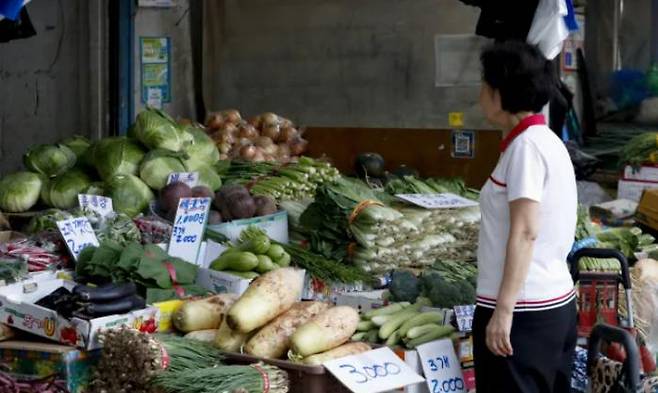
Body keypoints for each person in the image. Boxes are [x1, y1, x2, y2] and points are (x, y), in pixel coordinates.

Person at [473, 40, 578, 393]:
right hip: (552, 304)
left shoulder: (527, 149)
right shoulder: (545, 141)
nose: (480, 94)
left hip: (523, 314)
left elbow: (525, 231)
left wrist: (504, 311)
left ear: (501, 93)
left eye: (485, 85)